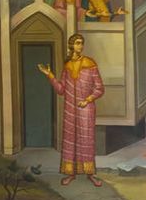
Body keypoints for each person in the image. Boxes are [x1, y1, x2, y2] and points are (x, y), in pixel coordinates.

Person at [39, 33, 104, 186]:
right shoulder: (67, 66)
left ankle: (90, 174)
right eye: (78, 43)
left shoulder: (90, 63)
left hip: (86, 109)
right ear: (71, 46)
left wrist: (87, 100)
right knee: (70, 141)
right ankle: (71, 173)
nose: (80, 46)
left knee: (87, 141)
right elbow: (61, 90)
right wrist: (50, 75)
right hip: (70, 109)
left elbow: (100, 88)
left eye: (82, 43)